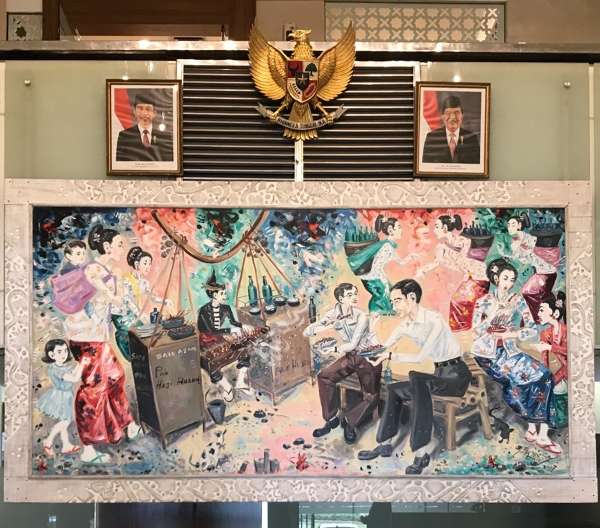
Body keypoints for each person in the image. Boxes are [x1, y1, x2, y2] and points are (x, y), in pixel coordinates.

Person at [357, 279, 471, 475]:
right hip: (438, 375)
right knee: (394, 389)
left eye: (397, 301)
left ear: (411, 297)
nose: (393, 306)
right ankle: (385, 443)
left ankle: (421, 453)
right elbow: (383, 346)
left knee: (417, 378)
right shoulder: (405, 325)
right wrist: (372, 332)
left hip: (456, 377)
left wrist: (390, 356)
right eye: (392, 302)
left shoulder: (434, 320)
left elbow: (419, 358)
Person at [63, 224, 141, 464]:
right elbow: (111, 297)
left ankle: (125, 425)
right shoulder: (93, 269)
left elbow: (115, 306)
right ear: (107, 246)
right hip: (85, 338)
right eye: (119, 244)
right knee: (94, 389)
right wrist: (116, 290)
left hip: (98, 337)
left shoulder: (108, 270)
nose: (122, 248)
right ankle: (88, 447)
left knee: (115, 377)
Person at [471, 258, 561, 455]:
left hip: (510, 351)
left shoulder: (517, 300)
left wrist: (511, 334)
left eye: (512, 280)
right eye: (505, 278)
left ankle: (537, 430)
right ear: (496, 278)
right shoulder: (483, 302)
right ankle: (537, 430)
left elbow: (532, 330)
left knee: (545, 375)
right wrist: (492, 318)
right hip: (487, 354)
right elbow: (475, 331)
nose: (509, 283)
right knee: (519, 382)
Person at [304, 283, 383, 444]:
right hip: (351, 356)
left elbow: (353, 344)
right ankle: (331, 418)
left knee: (371, 395)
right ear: (340, 299)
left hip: (369, 356)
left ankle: (350, 422)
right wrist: (323, 326)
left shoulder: (361, 316)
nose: (354, 297)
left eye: (355, 293)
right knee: (324, 377)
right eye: (349, 295)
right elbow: (307, 331)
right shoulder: (333, 313)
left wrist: (333, 348)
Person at [415, 214, 489, 331]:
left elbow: (466, 258)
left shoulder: (463, 241)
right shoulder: (440, 247)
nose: (435, 230)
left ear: (445, 228)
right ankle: (462, 327)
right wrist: (423, 269)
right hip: (469, 277)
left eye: (437, 227)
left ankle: (466, 327)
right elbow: (436, 262)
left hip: (478, 275)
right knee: (458, 300)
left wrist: (468, 273)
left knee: (460, 300)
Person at [197, 271, 254, 402]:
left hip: (220, 338)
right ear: (215, 295)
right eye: (222, 293)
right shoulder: (204, 311)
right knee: (211, 361)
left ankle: (240, 382)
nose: (225, 296)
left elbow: (233, 322)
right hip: (206, 341)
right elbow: (211, 330)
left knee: (244, 349)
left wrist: (242, 325)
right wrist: (230, 330)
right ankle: (226, 386)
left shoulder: (226, 308)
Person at [348, 215, 415, 314]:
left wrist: (411, 256)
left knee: (390, 294)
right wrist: (385, 283)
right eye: (399, 227)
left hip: (375, 276)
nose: (401, 230)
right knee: (383, 295)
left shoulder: (389, 246)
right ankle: (375, 314)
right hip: (371, 277)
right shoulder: (387, 247)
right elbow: (376, 267)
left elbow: (400, 262)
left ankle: (383, 314)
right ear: (391, 230)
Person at [498, 213, 558, 322]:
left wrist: (511, 255)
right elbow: (523, 258)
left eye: (513, 224)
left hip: (546, 271)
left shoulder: (522, 237)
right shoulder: (516, 240)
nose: (510, 227)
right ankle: (540, 315)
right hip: (543, 271)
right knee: (533, 292)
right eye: (509, 224)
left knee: (527, 291)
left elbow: (526, 255)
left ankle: (538, 318)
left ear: (519, 225)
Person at [37, 339, 89, 457]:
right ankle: (48, 441)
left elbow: (72, 373)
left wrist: (79, 364)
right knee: (65, 421)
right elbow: (74, 378)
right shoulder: (55, 369)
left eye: (65, 351)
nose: (64, 354)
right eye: (59, 351)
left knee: (65, 421)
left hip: (67, 395)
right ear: (51, 355)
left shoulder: (62, 366)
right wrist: (82, 365)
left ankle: (66, 445)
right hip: (60, 397)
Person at [533, 292, 568, 428]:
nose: (538, 313)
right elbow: (544, 358)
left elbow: (571, 352)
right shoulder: (545, 333)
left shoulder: (566, 331)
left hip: (569, 371)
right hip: (555, 373)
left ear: (555, 314)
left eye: (542, 310)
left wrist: (550, 347)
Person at [422, 94, 480, 164]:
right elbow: (426, 166)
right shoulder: (432, 138)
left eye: (457, 112)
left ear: (462, 116)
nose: (453, 117)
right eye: (448, 113)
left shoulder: (472, 138)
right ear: (442, 116)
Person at [116, 92, 173, 162]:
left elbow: (169, 163)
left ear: (154, 113)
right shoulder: (124, 136)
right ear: (134, 111)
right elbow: (120, 164)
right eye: (140, 108)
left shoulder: (165, 137)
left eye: (148, 109)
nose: (144, 113)